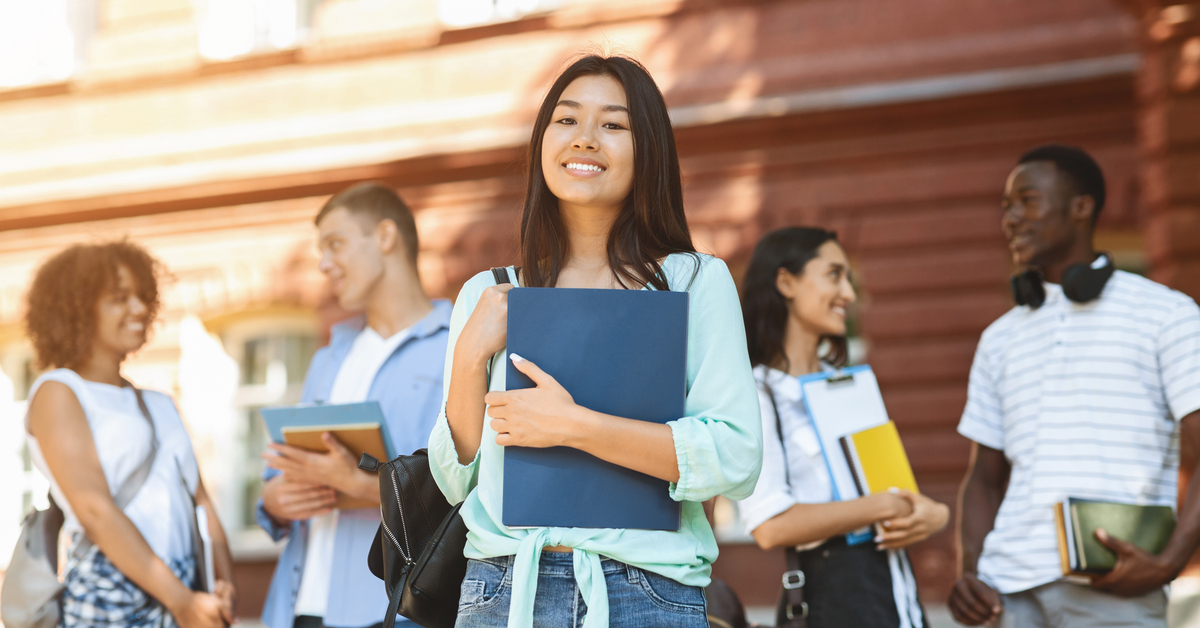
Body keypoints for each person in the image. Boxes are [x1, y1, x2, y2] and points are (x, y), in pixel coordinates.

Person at [427, 54, 762, 628]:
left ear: (647, 149)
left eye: (613, 125)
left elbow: (734, 457)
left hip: (644, 593)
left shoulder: (693, 281)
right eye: (566, 120)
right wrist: (467, 358)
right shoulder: (490, 294)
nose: (585, 140)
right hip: (502, 590)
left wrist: (573, 426)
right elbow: (456, 479)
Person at [948, 144, 1200, 627]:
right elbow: (982, 478)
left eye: (1028, 201)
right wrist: (970, 573)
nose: (1012, 218)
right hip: (1008, 596)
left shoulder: (1167, 314)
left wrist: (1168, 563)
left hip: (1112, 587)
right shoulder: (998, 338)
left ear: (1081, 207)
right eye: (1006, 207)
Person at [256, 183, 451, 628]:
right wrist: (275, 499)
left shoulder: (458, 346)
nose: (324, 264)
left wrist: (361, 486)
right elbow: (273, 484)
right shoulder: (328, 356)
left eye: (335, 245)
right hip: (297, 609)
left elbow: (461, 494)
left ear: (385, 237)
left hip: (392, 611)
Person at [736, 226, 948, 628]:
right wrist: (881, 507)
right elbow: (768, 525)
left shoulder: (848, 385)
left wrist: (934, 515)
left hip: (897, 596)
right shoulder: (758, 392)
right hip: (833, 599)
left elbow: (897, 491)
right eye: (834, 275)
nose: (849, 294)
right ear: (786, 281)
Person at [23, 241, 236, 628]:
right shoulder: (59, 391)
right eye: (119, 298)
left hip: (187, 590)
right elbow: (94, 510)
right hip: (112, 596)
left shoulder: (160, 403)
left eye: (142, 297)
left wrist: (223, 584)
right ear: (77, 309)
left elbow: (200, 501)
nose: (139, 309)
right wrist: (181, 602)